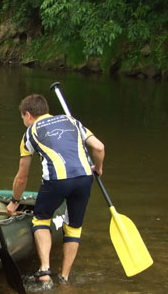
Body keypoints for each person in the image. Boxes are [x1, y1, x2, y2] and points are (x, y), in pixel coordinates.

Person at [6, 93, 105, 284]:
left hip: (57, 181)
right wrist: (98, 169)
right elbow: (99, 147)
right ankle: (64, 277)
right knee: (74, 227)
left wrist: (15, 201)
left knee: (41, 218)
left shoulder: (30, 132)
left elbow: (22, 176)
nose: (24, 122)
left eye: (22, 118)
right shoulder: (72, 121)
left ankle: (44, 270)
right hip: (84, 178)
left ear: (28, 114)